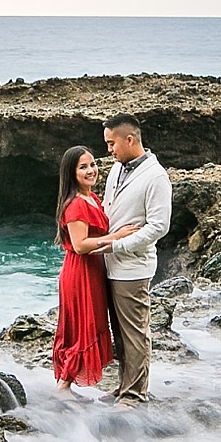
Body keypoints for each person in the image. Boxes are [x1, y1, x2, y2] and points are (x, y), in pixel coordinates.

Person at [98, 115, 172, 403]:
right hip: (111, 262)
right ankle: (123, 386)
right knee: (119, 330)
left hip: (133, 266)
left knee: (135, 332)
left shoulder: (156, 176)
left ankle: (135, 393)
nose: (109, 150)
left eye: (111, 143)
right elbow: (108, 209)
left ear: (129, 139)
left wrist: (118, 245)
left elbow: (158, 226)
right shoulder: (117, 170)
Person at [51, 145, 130, 397]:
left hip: (94, 271)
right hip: (79, 272)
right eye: (83, 167)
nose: (91, 170)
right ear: (71, 173)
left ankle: (65, 385)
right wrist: (117, 237)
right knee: (80, 329)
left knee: (91, 324)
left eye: (93, 164)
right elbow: (80, 245)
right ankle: (63, 386)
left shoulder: (92, 198)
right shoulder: (75, 205)